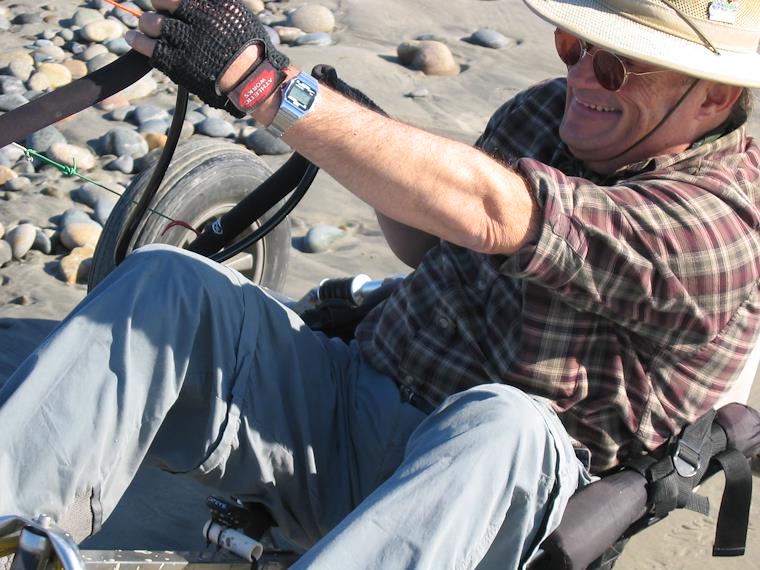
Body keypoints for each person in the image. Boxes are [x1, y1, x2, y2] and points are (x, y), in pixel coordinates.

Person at [2, 0, 759, 568]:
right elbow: (429, 242)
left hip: (479, 497)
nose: (581, 74)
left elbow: (498, 212)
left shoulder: (720, 226)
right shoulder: (544, 114)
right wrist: (350, 131)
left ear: (713, 98)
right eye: (576, 45)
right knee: (169, 279)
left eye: (619, 65)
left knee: (508, 421)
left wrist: (265, 86)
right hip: (349, 402)